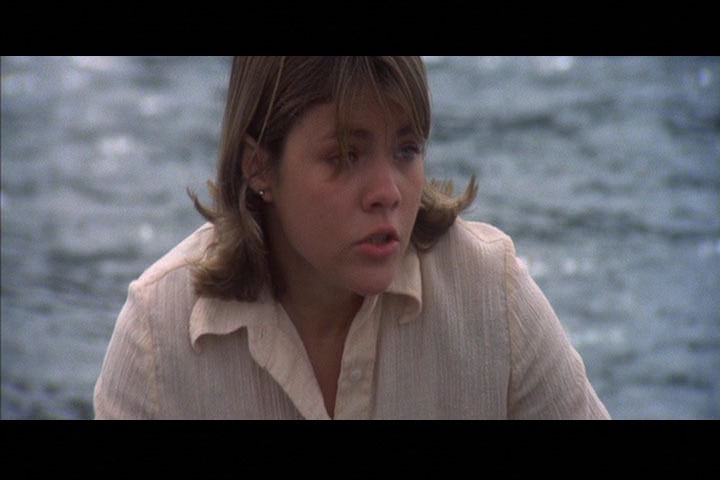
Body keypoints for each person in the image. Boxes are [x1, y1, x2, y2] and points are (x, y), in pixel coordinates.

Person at [93, 56, 610, 419]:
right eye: (345, 155)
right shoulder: (157, 337)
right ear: (259, 167)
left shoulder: (492, 297)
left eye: (406, 150)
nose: (388, 193)